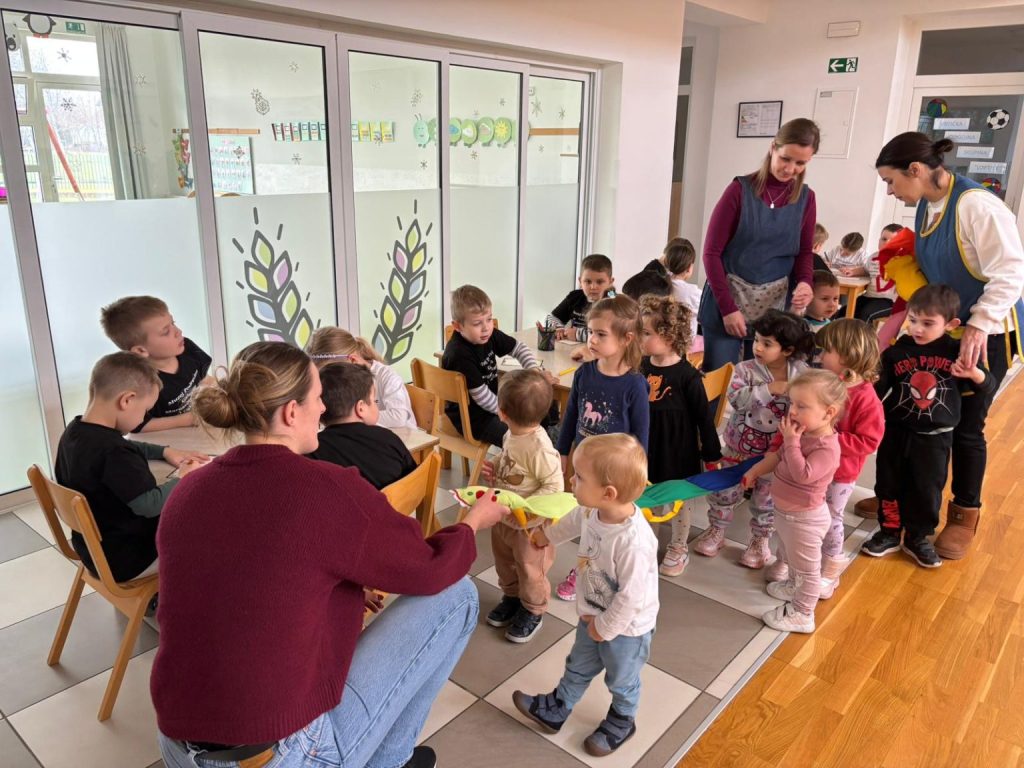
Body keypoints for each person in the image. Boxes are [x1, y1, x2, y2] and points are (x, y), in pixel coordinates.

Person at [152, 341, 509, 768]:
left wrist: (347, 589)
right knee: (458, 595)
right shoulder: (327, 489)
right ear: (291, 412)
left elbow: (252, 582)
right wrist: (472, 522)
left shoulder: (188, 489)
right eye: (318, 398)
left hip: (177, 743)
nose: (324, 410)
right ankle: (391, 762)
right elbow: (431, 568)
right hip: (281, 754)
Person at [862, 133, 1024, 558]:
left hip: (986, 332)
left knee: (965, 427)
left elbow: (1011, 272)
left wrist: (978, 324)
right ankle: (901, 500)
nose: (890, 191)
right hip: (943, 329)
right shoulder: (926, 205)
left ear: (915, 170)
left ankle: (963, 513)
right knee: (917, 415)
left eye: (891, 180)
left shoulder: (976, 206)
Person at [513, 433, 657, 757]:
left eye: (579, 477)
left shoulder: (634, 542)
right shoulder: (594, 511)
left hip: (627, 629)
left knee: (621, 678)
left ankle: (623, 718)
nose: (571, 480)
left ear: (608, 493)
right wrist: (546, 536)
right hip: (593, 611)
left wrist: (605, 628)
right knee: (578, 663)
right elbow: (573, 522)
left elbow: (631, 598)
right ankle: (558, 706)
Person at [861, 285, 995, 568]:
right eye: (912, 320)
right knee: (888, 484)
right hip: (896, 432)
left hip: (935, 440)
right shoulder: (896, 352)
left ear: (951, 324)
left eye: (927, 323)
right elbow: (875, 392)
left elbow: (987, 387)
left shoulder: (958, 352)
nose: (917, 329)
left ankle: (917, 537)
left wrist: (974, 373)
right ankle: (889, 533)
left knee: (926, 490)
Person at [54, 352, 208, 583]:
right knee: (207, 522)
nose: (143, 418)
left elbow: (126, 445)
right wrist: (185, 477)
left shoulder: (75, 432)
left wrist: (164, 451)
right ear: (126, 400)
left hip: (94, 550)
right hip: (128, 559)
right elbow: (150, 504)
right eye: (145, 410)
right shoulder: (114, 453)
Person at [691, 310, 814, 568]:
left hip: (775, 454)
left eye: (767, 344)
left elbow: (809, 406)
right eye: (757, 340)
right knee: (724, 491)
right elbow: (736, 400)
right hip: (738, 447)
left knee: (766, 499)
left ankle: (759, 540)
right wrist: (769, 389)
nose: (757, 347)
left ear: (788, 350)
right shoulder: (745, 369)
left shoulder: (802, 374)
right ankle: (716, 530)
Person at [698, 118, 820, 372]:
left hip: (775, 308)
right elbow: (711, 253)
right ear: (773, 147)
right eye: (785, 158)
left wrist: (805, 282)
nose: (790, 169)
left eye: (800, 163)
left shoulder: (806, 199)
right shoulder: (738, 190)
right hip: (727, 301)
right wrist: (727, 308)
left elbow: (804, 252)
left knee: (764, 383)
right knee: (719, 381)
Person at [555, 295, 650, 601]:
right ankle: (585, 567)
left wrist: (637, 474)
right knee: (587, 520)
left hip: (613, 472)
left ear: (626, 339)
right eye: (591, 332)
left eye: (600, 334)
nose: (592, 340)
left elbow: (640, 435)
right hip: (585, 465)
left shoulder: (634, 384)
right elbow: (570, 415)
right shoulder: (585, 373)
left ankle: (606, 571)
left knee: (607, 525)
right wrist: (563, 452)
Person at [741, 369, 844, 633]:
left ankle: (803, 613)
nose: (793, 411)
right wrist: (755, 471)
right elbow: (778, 457)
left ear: (828, 413)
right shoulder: (803, 434)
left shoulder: (826, 447)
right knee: (789, 556)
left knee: (808, 570)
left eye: (802, 406)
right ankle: (791, 585)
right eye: (792, 403)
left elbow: (803, 475)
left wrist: (791, 442)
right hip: (788, 515)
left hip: (805, 520)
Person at [639, 295, 722, 577]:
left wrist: (711, 454)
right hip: (646, 448)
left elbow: (704, 419)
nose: (640, 338)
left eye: (646, 333)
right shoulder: (640, 367)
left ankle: (678, 546)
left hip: (678, 451)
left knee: (679, 500)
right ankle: (646, 545)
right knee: (648, 497)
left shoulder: (688, 376)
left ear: (669, 336)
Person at [480, 369, 563, 643]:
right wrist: (497, 468)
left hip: (530, 526)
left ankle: (533, 609)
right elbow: (512, 461)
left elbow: (554, 485)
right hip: (505, 517)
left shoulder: (539, 447)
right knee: (504, 561)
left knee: (530, 569)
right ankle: (512, 597)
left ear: (501, 412)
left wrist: (528, 509)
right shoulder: (511, 434)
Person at [810, 320, 884, 598]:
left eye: (826, 351)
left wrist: (828, 438)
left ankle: (830, 571)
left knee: (831, 520)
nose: (820, 357)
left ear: (847, 354)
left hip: (840, 475)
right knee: (811, 518)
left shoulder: (866, 398)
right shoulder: (827, 384)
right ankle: (807, 565)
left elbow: (869, 441)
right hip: (815, 468)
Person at [442, 285, 554, 447]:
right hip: (474, 419)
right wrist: (509, 413)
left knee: (539, 414)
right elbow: (482, 397)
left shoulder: (488, 334)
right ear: (458, 326)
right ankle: (528, 454)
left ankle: (543, 446)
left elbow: (519, 349)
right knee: (521, 438)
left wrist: (535, 372)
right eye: (477, 323)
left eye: (489, 319)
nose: (486, 327)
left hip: (494, 405)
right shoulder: (459, 354)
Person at [101, 295, 212, 432]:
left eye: (173, 323)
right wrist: (186, 420)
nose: (178, 332)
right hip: (167, 439)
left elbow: (204, 380)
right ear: (141, 350)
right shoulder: (139, 382)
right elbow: (136, 426)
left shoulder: (186, 348)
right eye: (166, 332)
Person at [307, 362, 417, 490]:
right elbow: (415, 479)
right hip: (396, 502)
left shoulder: (313, 451)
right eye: (374, 401)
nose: (376, 405)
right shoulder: (387, 438)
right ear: (361, 408)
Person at [306, 326, 417, 430]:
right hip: (361, 438)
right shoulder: (332, 380)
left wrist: (355, 418)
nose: (326, 379)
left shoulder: (386, 376)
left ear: (352, 360)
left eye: (332, 372)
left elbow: (398, 417)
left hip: (401, 440)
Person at [840, 224, 903, 324]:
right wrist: (853, 271)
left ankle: (862, 335)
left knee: (865, 314)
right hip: (869, 296)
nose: (886, 243)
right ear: (879, 240)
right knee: (844, 311)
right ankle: (841, 333)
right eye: (884, 239)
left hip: (889, 301)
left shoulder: (901, 260)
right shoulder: (874, 257)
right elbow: (865, 269)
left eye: (892, 240)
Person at [546, 254, 615, 343]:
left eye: (600, 282)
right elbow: (552, 317)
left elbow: (612, 334)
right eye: (588, 281)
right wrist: (558, 328)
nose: (593, 287)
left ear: (610, 282)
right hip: (572, 348)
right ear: (580, 281)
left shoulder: (615, 300)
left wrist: (577, 334)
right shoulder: (575, 296)